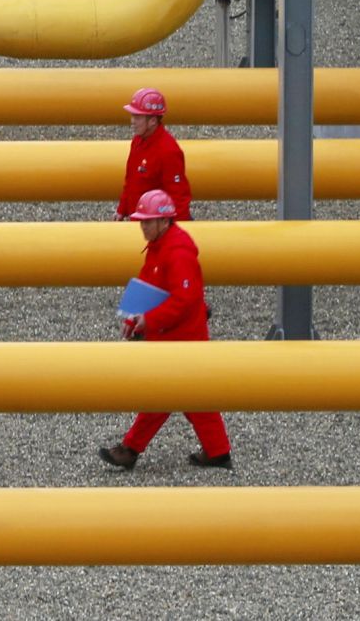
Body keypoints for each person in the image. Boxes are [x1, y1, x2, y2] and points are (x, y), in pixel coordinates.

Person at [97, 190, 233, 472]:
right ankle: (218, 452)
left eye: (147, 221)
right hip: (176, 335)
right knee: (190, 396)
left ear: (164, 221)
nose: (142, 227)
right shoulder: (163, 244)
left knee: (164, 394)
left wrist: (148, 320)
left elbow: (184, 299)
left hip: (181, 337)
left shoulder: (177, 250)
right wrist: (134, 319)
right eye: (141, 221)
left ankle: (130, 449)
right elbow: (150, 284)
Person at [115, 87, 191, 221]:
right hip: (141, 224)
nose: (132, 121)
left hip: (155, 228)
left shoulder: (168, 151)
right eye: (133, 116)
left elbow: (178, 197)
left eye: (137, 117)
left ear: (153, 121)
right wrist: (121, 210)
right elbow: (131, 181)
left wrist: (173, 235)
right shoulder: (138, 141)